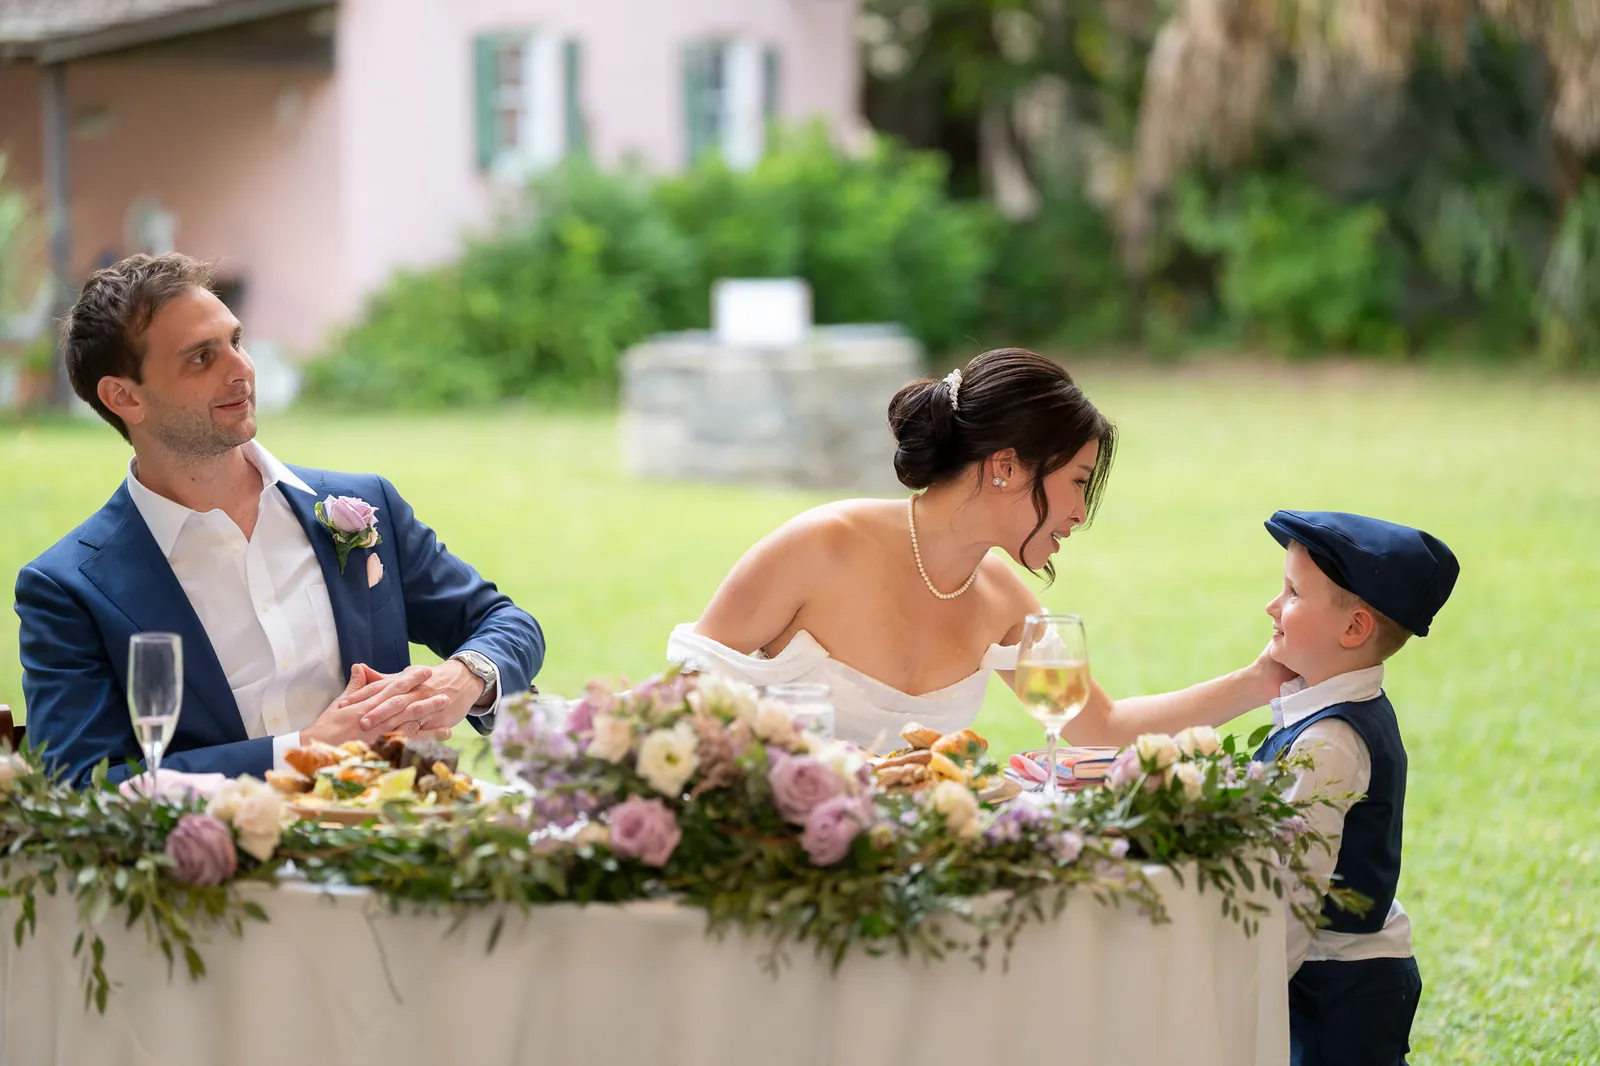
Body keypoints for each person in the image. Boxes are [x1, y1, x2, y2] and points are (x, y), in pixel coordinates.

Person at [14, 253, 544, 787]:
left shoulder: (364, 504)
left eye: (236, 342)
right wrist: (308, 749)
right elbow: (80, 784)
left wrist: (461, 679)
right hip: (222, 864)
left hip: (401, 840)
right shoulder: (68, 589)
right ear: (123, 396)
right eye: (201, 358)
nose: (241, 369)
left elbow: (505, 623)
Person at [668, 348, 1291, 752]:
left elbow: (1100, 730)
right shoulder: (820, 547)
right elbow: (677, 701)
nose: (1080, 513)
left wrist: (1261, 679)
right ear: (1004, 467)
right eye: (1076, 482)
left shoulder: (1002, 602)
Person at [1249, 510, 1456, 1066]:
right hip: (1331, 972)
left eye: (1292, 593)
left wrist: (1250, 989)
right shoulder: (1323, 711)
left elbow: (1295, 889)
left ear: (1354, 629)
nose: (1273, 606)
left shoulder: (1331, 741)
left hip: (1342, 986)